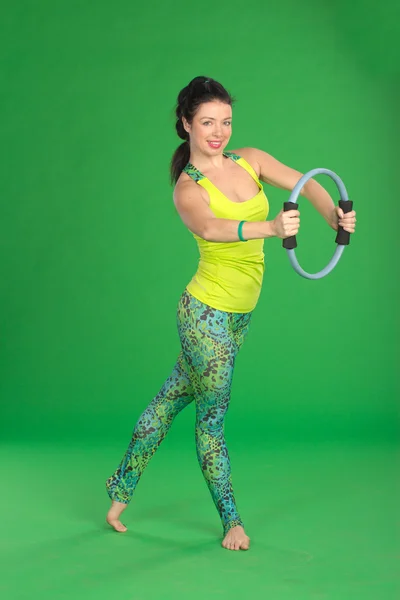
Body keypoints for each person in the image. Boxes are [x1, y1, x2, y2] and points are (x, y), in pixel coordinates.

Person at [105, 76, 357, 551]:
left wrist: (333, 218)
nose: (218, 132)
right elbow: (214, 228)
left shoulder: (251, 160)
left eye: (225, 122)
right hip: (206, 316)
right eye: (207, 123)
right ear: (186, 125)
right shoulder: (187, 188)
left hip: (238, 316)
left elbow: (308, 184)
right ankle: (232, 522)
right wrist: (271, 226)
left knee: (168, 402)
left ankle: (118, 495)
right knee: (211, 418)